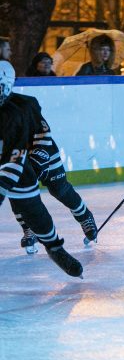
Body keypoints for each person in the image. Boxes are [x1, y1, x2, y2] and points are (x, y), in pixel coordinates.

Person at [0, 61, 83, 277]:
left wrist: (36, 163)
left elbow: (17, 157)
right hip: (16, 163)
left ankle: (55, 246)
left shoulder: (21, 109)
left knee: (33, 205)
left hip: (23, 164)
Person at [7, 64, 98, 253]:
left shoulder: (26, 103)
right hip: (18, 158)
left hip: (44, 153)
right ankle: (28, 229)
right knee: (18, 196)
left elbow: (43, 131)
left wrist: (40, 156)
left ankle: (84, 217)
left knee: (60, 189)